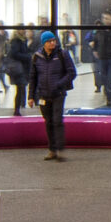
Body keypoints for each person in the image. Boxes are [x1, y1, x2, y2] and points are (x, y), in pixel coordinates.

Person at [31, 30, 78, 160]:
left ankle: (60, 149)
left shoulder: (63, 54)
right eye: (49, 41)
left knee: (57, 121)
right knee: (48, 122)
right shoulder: (37, 57)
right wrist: (30, 96)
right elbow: (33, 77)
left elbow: (72, 73)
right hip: (43, 95)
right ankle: (52, 149)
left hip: (58, 94)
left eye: (53, 40)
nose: (52, 43)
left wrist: (59, 84)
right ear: (43, 43)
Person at [4, 28, 34, 116]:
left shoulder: (22, 41)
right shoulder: (16, 41)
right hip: (19, 69)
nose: (24, 31)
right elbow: (15, 54)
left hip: (22, 69)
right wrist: (28, 57)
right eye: (23, 30)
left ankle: (19, 107)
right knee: (20, 89)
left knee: (21, 89)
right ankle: (17, 109)